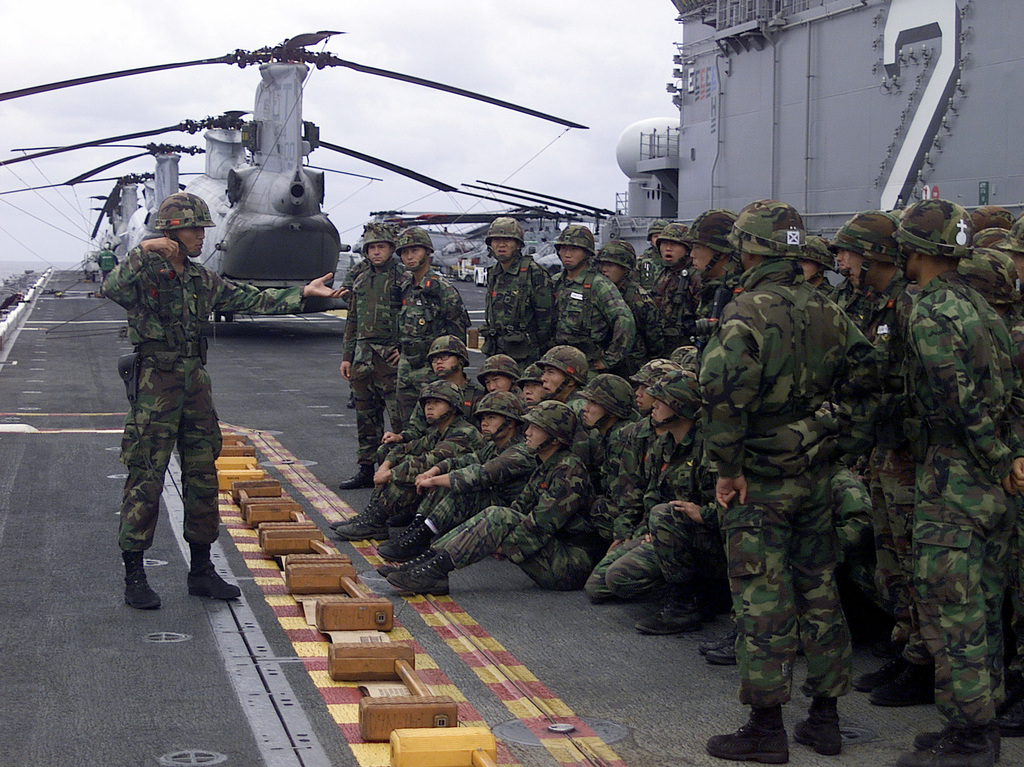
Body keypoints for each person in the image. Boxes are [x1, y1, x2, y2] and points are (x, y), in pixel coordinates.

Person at [102, 192, 343, 610]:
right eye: (195, 229)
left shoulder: (201, 280)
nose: (202, 237)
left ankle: (201, 570)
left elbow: (250, 298)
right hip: (155, 385)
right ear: (172, 232)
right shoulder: (145, 273)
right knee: (145, 478)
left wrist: (303, 292)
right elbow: (112, 287)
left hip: (195, 383)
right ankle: (134, 574)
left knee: (202, 476)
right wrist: (142, 250)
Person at [699, 199, 877, 762]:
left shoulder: (746, 311)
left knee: (762, 596)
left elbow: (723, 395)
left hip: (760, 477)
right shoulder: (828, 308)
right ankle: (825, 718)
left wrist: (727, 470)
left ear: (749, 249)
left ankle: (766, 726)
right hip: (816, 472)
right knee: (820, 589)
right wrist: (835, 438)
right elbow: (870, 376)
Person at [893, 200, 1024, 767]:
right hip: (993, 483)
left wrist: (997, 455)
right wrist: (1012, 456)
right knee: (986, 604)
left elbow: (956, 396)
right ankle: (980, 722)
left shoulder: (929, 311)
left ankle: (970, 738)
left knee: (954, 610)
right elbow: (1010, 388)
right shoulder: (984, 306)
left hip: (955, 477)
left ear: (916, 250)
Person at [384, 400, 598, 595]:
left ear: (556, 438)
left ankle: (434, 571)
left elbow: (541, 525)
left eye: (537, 428)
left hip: (569, 564)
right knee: (496, 514)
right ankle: (429, 562)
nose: (528, 432)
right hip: (552, 552)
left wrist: (504, 545)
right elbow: (521, 507)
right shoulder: (546, 465)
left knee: (499, 515)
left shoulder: (569, 469)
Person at [376, 391, 534, 564]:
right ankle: (418, 530)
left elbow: (482, 473)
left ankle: (423, 539)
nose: (484, 423)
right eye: (482, 418)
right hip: (496, 505)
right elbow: (465, 460)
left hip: (512, 514)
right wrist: (435, 471)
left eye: (491, 417)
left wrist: (435, 480)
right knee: (447, 481)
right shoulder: (493, 447)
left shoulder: (520, 452)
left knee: (463, 490)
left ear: (510, 423)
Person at [333, 379, 485, 542]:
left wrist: (389, 474)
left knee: (408, 472)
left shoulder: (464, 433)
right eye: (427, 403)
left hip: (465, 494)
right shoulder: (441, 430)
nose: (429, 407)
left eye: (437, 402)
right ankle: (376, 514)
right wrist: (385, 466)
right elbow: (409, 447)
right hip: (445, 486)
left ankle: (377, 520)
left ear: (453, 406)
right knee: (391, 451)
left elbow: (429, 461)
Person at [337, 222, 404, 490]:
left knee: (399, 419)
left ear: (391, 249)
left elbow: (412, 316)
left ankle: (399, 471)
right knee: (365, 417)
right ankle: (366, 468)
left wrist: (405, 348)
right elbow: (352, 319)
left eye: (382, 247)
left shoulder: (403, 277)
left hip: (391, 357)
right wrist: (346, 356)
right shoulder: (361, 278)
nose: (377, 252)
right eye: (372, 247)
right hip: (363, 357)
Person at [393, 226, 470, 426]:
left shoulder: (443, 290)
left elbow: (457, 336)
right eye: (404, 252)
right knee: (405, 424)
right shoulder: (404, 287)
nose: (409, 256)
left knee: (433, 424)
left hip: (432, 369)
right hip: (407, 366)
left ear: (427, 253)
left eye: (415, 251)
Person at [551, 224, 636, 374]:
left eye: (574, 249)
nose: (567, 254)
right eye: (563, 249)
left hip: (587, 364)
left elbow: (625, 321)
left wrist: (609, 358)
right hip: (557, 360)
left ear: (587, 253)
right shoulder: (556, 282)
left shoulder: (599, 285)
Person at [479, 216, 555, 366]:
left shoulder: (533, 273)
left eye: (507, 240)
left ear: (518, 244)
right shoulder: (494, 273)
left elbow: (546, 321)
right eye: (496, 240)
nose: (501, 245)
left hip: (525, 355)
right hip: (496, 351)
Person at [595, 239, 665, 375]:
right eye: (602, 264)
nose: (604, 269)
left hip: (631, 367)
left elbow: (654, 341)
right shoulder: (597, 292)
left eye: (610, 265)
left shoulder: (639, 300)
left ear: (625, 269)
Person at [652, 222, 698, 353]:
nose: (668, 248)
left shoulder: (694, 276)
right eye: (664, 244)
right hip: (661, 344)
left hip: (686, 348)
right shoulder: (662, 274)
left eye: (675, 244)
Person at [637, 218, 669, 290]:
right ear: (651, 239)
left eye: (662, 235)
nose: (658, 239)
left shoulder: (675, 259)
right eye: (655, 236)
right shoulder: (641, 261)